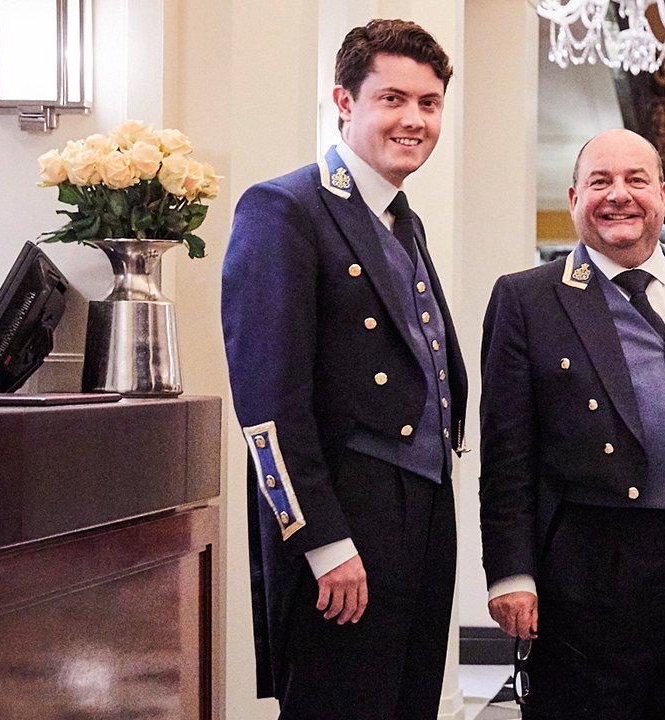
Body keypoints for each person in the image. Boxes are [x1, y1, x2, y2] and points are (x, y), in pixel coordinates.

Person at [221, 19, 464, 717]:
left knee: (406, 703)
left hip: (422, 506)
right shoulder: (284, 209)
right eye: (393, 99)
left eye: (428, 102)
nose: (414, 119)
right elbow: (268, 407)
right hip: (347, 509)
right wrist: (321, 540)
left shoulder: (399, 218)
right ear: (345, 102)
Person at [477, 129, 665, 719]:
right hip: (592, 565)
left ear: (662, 193)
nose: (618, 196)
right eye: (600, 182)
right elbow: (507, 454)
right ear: (575, 195)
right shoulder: (529, 298)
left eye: (635, 181)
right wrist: (510, 572)